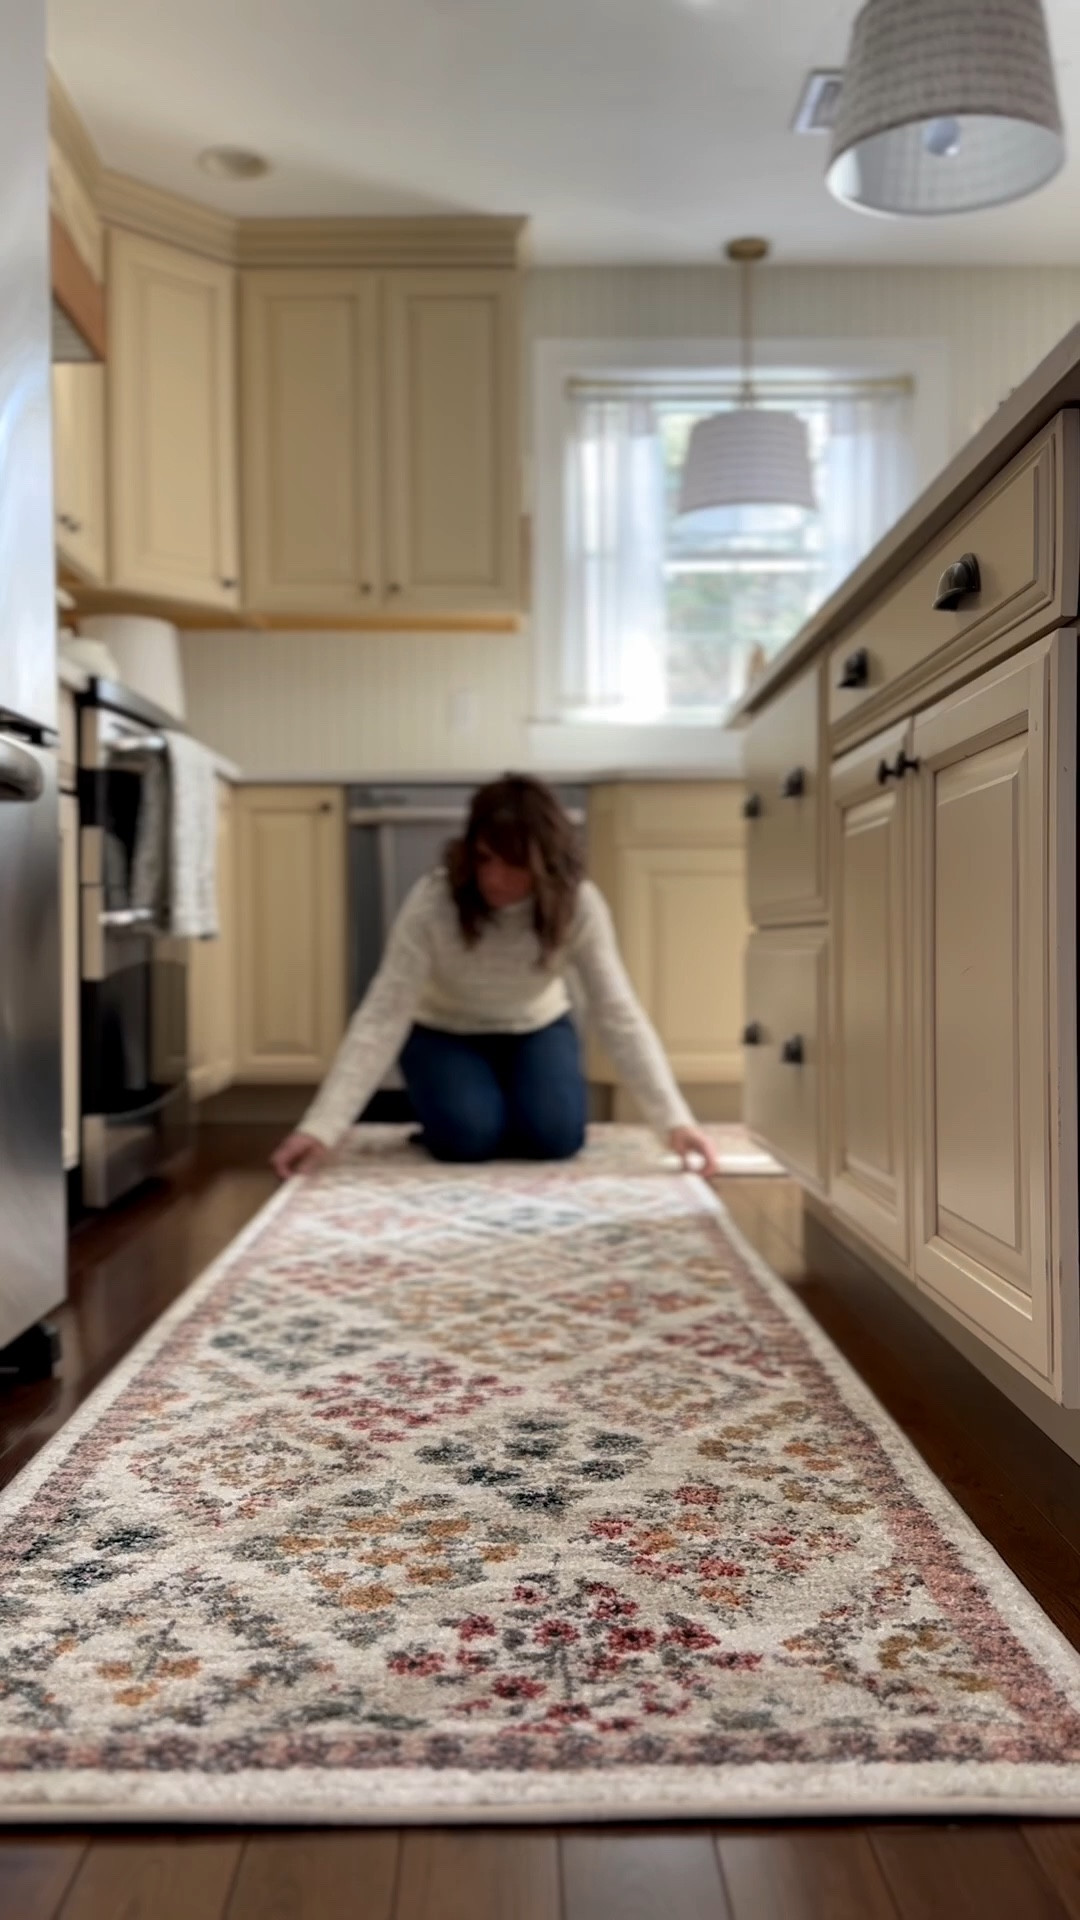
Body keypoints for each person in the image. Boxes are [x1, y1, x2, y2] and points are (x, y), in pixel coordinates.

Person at [271, 774, 719, 1180]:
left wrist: (675, 1122)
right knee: (467, 1140)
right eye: (485, 858)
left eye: (514, 864)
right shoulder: (434, 901)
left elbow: (618, 1011)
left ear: (545, 863)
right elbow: (382, 1013)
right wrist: (320, 1128)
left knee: (555, 1140)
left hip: (536, 1027)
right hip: (442, 1030)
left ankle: (495, 1099)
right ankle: (459, 1104)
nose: (494, 878)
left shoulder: (579, 905)